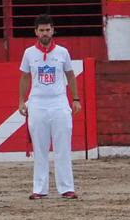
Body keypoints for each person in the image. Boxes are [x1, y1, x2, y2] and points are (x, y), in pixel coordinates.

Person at [18, 14, 82, 200]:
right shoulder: (29, 53)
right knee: (40, 148)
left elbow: (70, 75)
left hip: (59, 102)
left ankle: (66, 188)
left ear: (53, 30)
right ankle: (39, 188)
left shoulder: (62, 52)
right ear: (36, 32)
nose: (45, 33)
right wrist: (22, 101)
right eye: (41, 30)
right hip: (37, 103)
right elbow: (24, 77)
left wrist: (76, 98)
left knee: (63, 147)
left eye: (48, 29)